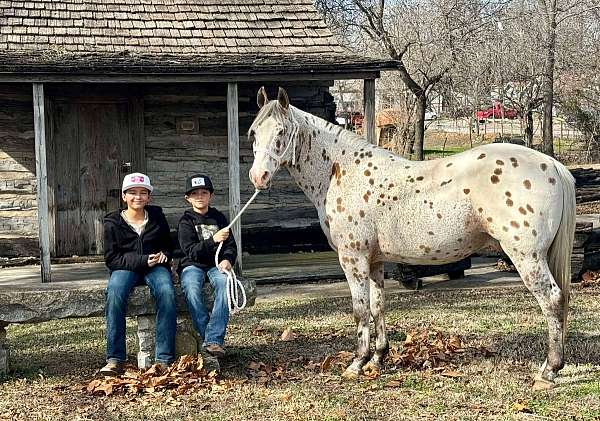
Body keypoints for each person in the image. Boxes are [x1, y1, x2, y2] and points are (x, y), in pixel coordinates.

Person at [100, 172, 177, 376]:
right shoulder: (112, 222)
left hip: (155, 268)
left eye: (143, 193)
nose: (138, 197)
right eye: (132, 192)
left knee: (167, 292)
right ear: (124, 196)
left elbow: (169, 246)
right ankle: (115, 358)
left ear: (149, 197)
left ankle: (164, 358)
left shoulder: (157, 217)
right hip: (125, 267)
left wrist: (165, 255)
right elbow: (111, 258)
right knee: (115, 293)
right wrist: (142, 260)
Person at [177, 174, 237, 360]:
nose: (200, 196)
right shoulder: (186, 221)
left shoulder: (219, 218)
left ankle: (213, 339)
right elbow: (191, 251)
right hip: (193, 265)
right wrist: (213, 240)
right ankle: (210, 338)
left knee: (225, 284)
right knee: (192, 288)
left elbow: (231, 245)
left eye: (204, 192)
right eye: (194, 193)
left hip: (215, 265)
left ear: (210, 195)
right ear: (188, 198)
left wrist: (227, 259)